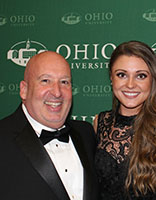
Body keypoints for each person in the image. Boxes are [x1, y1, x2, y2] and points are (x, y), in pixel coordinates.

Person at [0, 51, 99, 200]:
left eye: (64, 82)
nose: (57, 92)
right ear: (24, 90)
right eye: (45, 81)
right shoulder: (3, 137)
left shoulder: (86, 133)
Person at [93, 41, 156, 200]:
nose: (130, 84)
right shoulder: (100, 122)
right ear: (112, 78)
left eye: (141, 76)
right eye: (122, 75)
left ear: (152, 80)